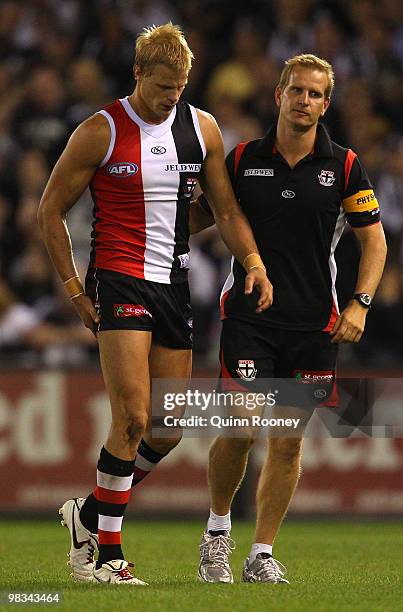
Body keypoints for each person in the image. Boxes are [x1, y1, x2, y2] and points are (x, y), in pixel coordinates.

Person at [38, 23, 272, 586]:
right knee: (134, 417)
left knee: (167, 428)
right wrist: (74, 289)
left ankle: (89, 514)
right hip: (118, 280)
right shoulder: (100, 131)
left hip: (173, 283)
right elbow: (49, 211)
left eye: (181, 86)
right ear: (138, 74)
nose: (173, 96)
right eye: (164, 86)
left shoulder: (202, 129)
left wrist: (255, 262)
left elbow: (226, 208)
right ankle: (106, 556)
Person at [192, 54, 387, 584]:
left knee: (287, 440)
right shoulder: (241, 161)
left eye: (315, 94)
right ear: (277, 94)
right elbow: (203, 218)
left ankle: (260, 555)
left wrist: (360, 302)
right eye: (296, 91)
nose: (304, 101)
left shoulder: (344, 166)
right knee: (240, 429)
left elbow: (375, 240)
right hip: (250, 318)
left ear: (327, 103)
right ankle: (216, 535)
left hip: (314, 326)